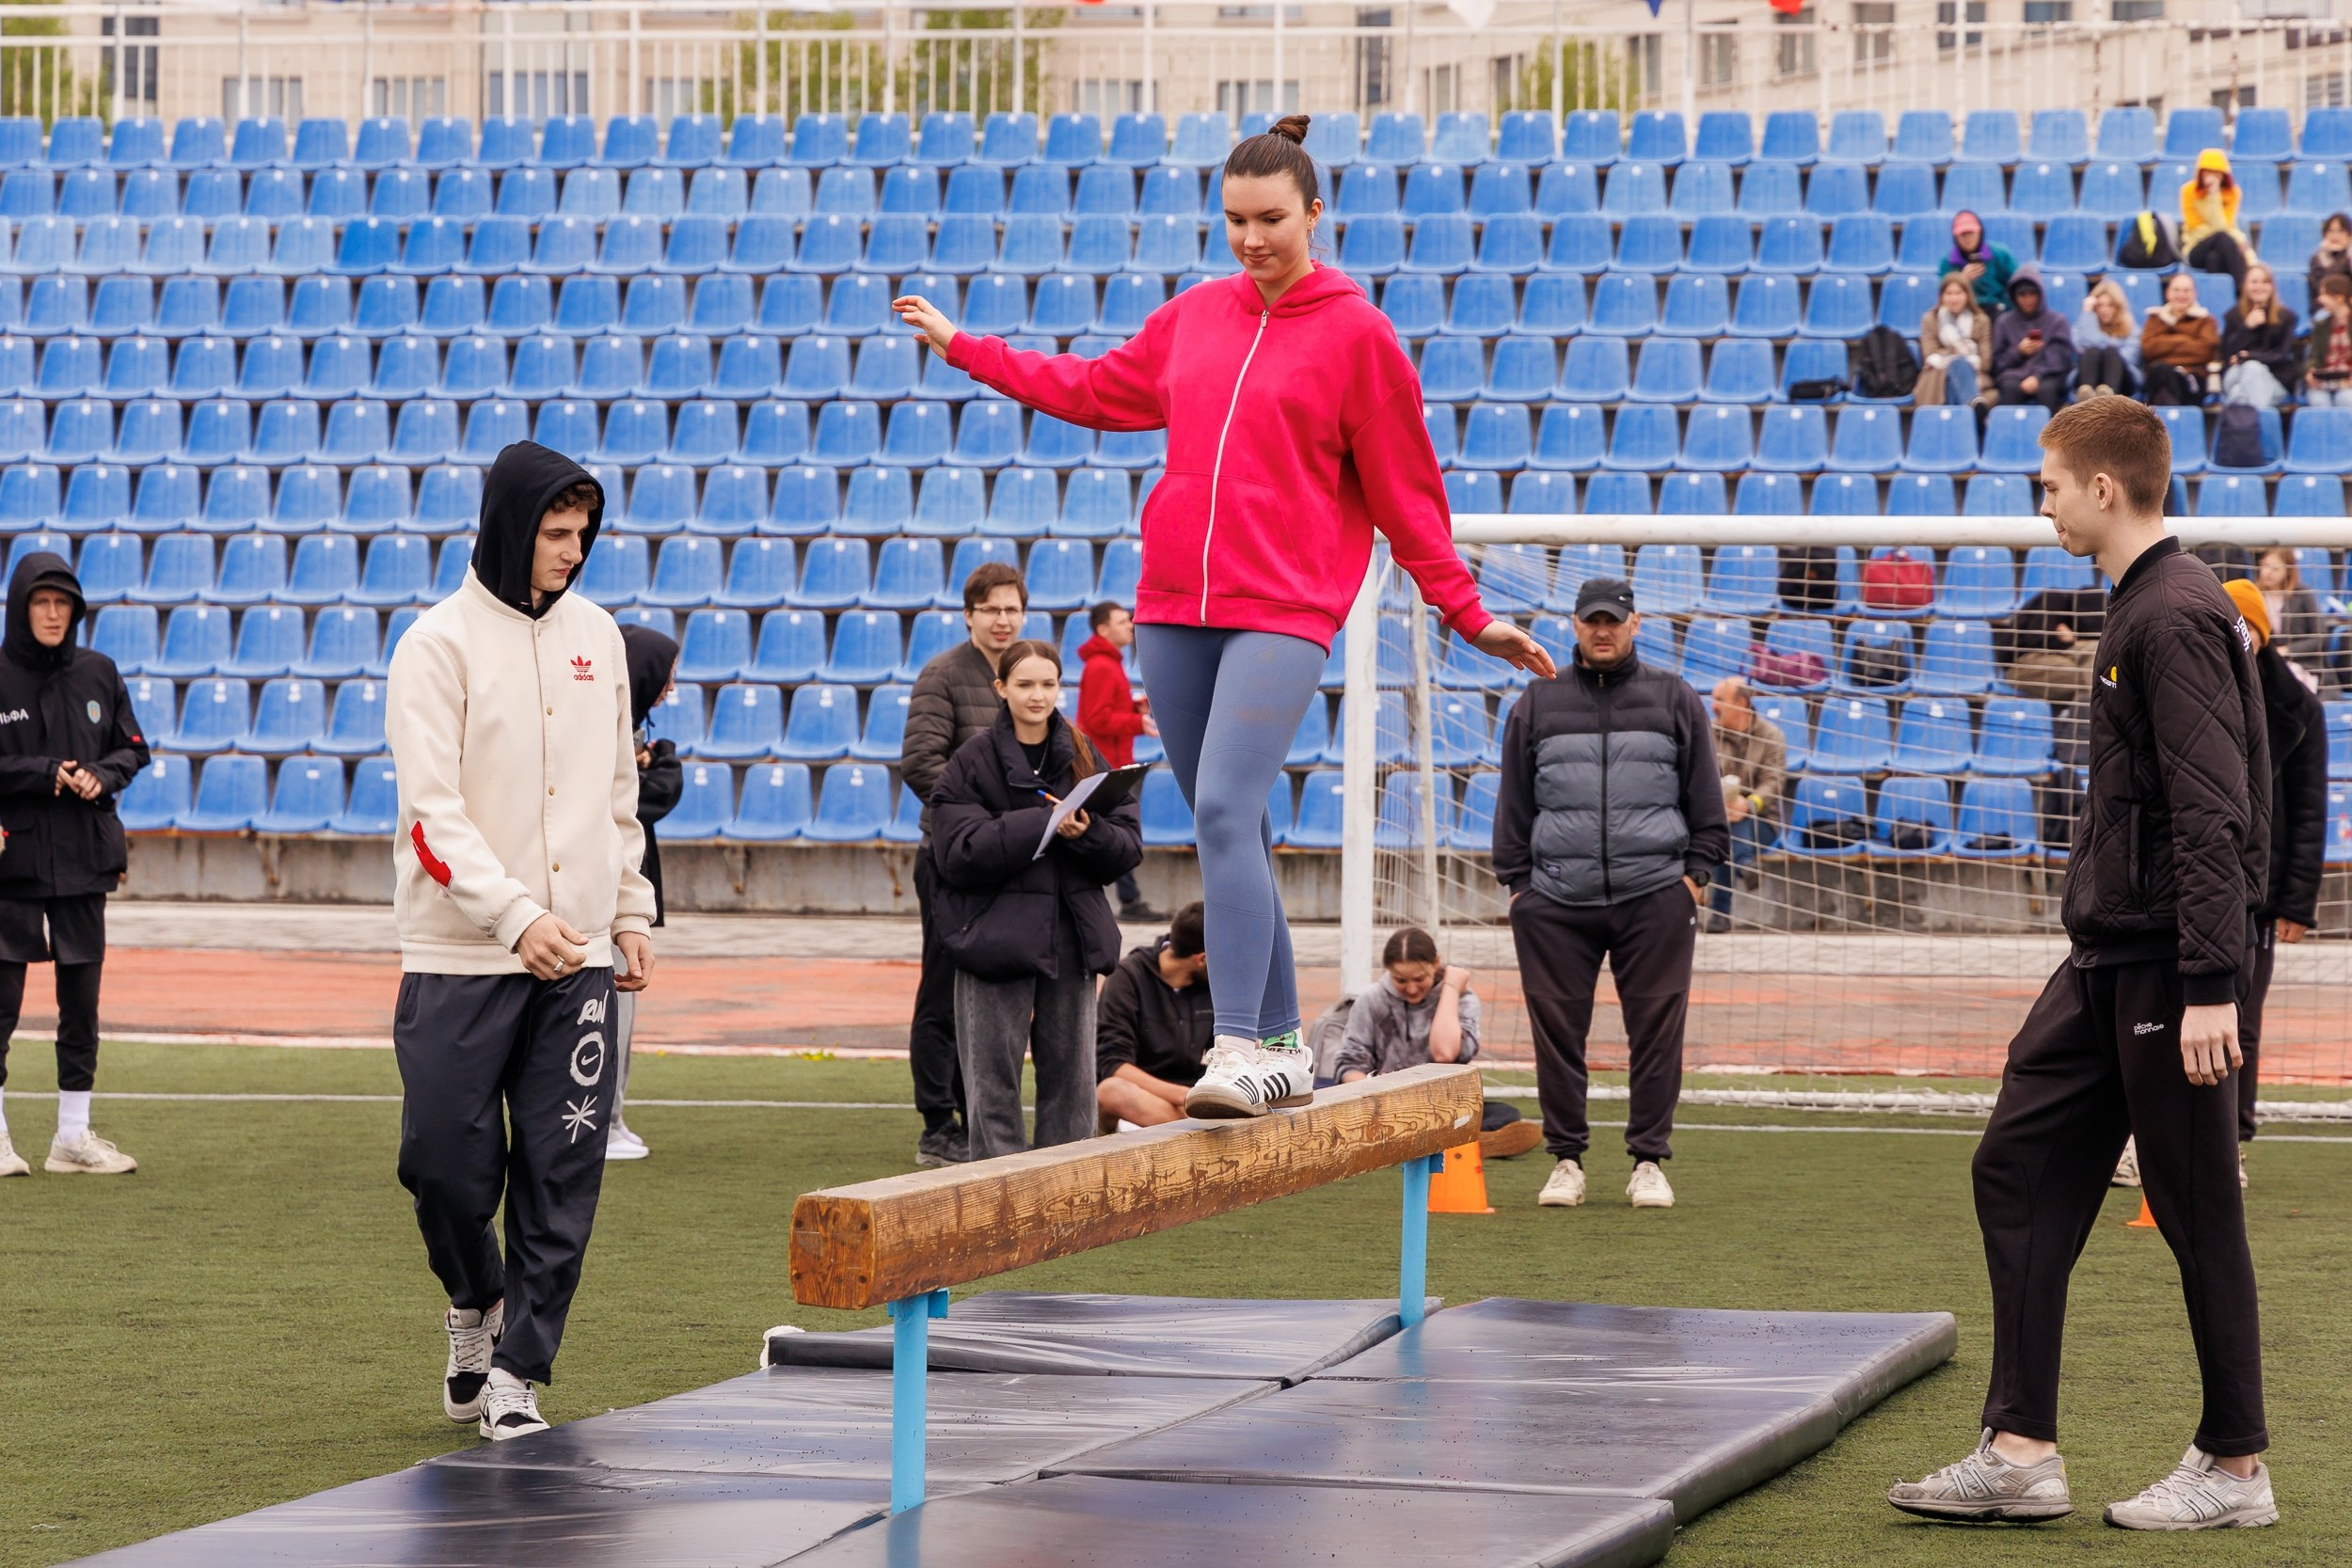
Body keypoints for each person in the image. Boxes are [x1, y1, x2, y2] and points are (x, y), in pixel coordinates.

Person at [894, 113, 1551, 1124]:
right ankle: (1286, 1044)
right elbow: (1090, 388)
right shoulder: (1195, 317)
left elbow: (1407, 497)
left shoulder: (1358, 336)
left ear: (1315, 213)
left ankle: (1239, 1039)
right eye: (1235, 220)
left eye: (1272, 219)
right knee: (1231, 821)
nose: (1252, 238)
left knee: (1218, 809)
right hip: (1172, 607)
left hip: (1283, 608)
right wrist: (967, 348)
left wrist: (1468, 616)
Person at [1888, 397, 2275, 1530]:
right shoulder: (2134, 607)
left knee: (2195, 1206)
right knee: (2014, 1165)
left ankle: (2235, 1465)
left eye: (2048, 482)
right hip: (2105, 955)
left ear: (2103, 488)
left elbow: (2215, 814)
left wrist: (2210, 984)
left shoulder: (2175, 611)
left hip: (2169, 965)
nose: (2040, 500)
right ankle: (2018, 1446)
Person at [385, 441, 657, 1443]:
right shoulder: (436, 644)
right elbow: (430, 812)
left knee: (563, 1165)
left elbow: (616, 794)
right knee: (443, 1164)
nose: (571, 552)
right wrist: (515, 915)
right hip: (462, 951)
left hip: (579, 953)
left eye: (582, 535)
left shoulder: (599, 638)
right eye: (553, 532)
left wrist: (627, 908)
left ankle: (518, 1370)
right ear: (508, 525)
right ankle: (474, 1300)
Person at [1491, 578, 1729, 1213]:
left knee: (1656, 1032)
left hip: (1654, 893)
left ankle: (1648, 1161)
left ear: (1635, 624)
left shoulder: (1673, 696)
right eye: (1592, 620)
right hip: (1555, 902)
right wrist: (1520, 887)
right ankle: (1566, 1160)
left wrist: (1695, 874)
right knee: (1557, 1034)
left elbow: (1704, 794)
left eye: (1614, 620)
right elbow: (1513, 801)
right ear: (1574, 626)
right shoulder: (1537, 702)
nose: (1603, 630)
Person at [928, 640, 1143, 1160]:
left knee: (1071, 1079)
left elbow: (1128, 846)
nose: (1037, 695)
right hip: (991, 939)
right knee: (991, 1081)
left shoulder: (1086, 753)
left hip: (1070, 936)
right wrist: (1041, 823)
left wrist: (1085, 833)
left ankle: (1065, 1189)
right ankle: (994, 1190)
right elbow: (956, 851)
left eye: (1048, 684)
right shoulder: (971, 760)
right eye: (1024, 684)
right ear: (1001, 689)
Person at [0, 554, 150, 1180]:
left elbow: (134, 747)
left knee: (81, 1004)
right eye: (41, 602)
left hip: (86, 858)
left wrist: (102, 773)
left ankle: (71, 1137)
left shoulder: (99, 672)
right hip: (15, 860)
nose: (54, 614)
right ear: (21, 607)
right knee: (2, 1003)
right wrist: (45, 772)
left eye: (63, 603)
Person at [899, 560, 1030, 1167]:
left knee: (988, 990)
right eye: (992, 609)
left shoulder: (1023, 675)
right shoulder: (944, 673)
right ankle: (937, 1122)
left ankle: (979, 1114)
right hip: (953, 857)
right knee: (942, 987)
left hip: (1007, 860)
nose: (1003, 620)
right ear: (969, 614)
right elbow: (921, 763)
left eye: (1012, 609)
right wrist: (979, 819)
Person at [1332, 927, 1542, 1162]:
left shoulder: (1463, 998)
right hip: (1384, 1104)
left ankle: (1416, 1141)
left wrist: (1450, 990)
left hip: (1443, 1104)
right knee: (1342, 1118)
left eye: (1419, 978)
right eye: (1401, 980)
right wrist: (1377, 1099)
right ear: (1388, 971)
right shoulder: (1371, 999)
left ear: (1436, 963)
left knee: (1505, 1114)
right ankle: (1453, 1143)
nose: (1411, 988)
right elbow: (1350, 1065)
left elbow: (1445, 1053)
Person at [605, 624, 680, 1163]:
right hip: (602, 894)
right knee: (608, 1012)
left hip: (625, 892)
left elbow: (659, 789)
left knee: (622, 1015)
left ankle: (612, 1116)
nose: (670, 686)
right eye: (665, 673)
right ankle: (599, 1123)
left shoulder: (633, 733)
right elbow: (637, 801)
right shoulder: (604, 730)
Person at [1094, 900, 1214, 1130]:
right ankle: (1199, 1130)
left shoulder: (1213, 985)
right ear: (1201, 959)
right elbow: (1114, 1064)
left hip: (1189, 1094)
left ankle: (1189, 1128)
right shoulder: (1127, 977)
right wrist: (1183, 1097)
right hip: (1144, 1094)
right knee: (1111, 1092)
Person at [1076, 599, 1159, 922]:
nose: (1130, 625)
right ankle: (1129, 899)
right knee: (1118, 833)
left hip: (1112, 762)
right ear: (1103, 629)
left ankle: (1129, 898)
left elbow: (1105, 712)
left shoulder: (1108, 663)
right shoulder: (1101, 665)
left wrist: (1133, 706)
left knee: (1116, 832)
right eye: (1123, 621)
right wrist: (1136, 722)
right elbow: (1097, 720)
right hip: (1108, 765)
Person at [1707, 676, 1785, 934]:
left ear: (1741, 704)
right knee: (1724, 827)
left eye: (1719, 700)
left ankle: (1719, 914)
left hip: (1762, 822)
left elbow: (1774, 783)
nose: (1713, 706)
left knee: (1728, 828)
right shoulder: (1708, 733)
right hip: (1716, 816)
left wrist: (1748, 805)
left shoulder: (1771, 735)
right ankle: (1744, 864)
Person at [1989, 266, 2077, 412]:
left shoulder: (2057, 321)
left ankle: (2052, 434)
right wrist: (2018, 351)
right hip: (2013, 375)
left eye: (2032, 293)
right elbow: (1997, 363)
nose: (2028, 299)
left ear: (2040, 294)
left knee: (2046, 390)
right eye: (2022, 294)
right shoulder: (2004, 322)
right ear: (2014, 296)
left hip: (2049, 375)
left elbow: (2060, 358)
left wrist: (2038, 376)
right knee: (2009, 387)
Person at [2218, 263, 2299, 408]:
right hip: (2236, 374)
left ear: (2272, 286)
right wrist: (2246, 328)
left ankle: (2244, 427)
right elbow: (2226, 354)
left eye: (2265, 282)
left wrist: (2249, 357)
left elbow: (2282, 355)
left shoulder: (2287, 317)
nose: (2259, 287)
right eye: (2254, 282)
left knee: (2241, 390)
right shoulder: (2232, 316)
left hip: (2275, 378)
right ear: (2245, 285)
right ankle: (2259, 420)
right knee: (2249, 371)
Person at [2138, 270, 2218, 407]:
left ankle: (2164, 422)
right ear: (2168, 293)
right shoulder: (2155, 319)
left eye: (2186, 291)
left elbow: (2205, 351)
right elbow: (2148, 349)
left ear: (2194, 294)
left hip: (2192, 380)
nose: (2181, 295)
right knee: (2161, 371)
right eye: (2176, 290)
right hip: (2158, 378)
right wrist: (2187, 340)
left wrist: (2166, 344)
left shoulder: (2206, 320)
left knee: (2163, 380)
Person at [2178, 148, 2254, 291]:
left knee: (2214, 258)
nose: (2211, 176)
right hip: (2195, 248)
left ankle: (2225, 300)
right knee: (2221, 237)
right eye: (2207, 171)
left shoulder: (2233, 193)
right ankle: (2245, 290)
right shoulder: (2188, 191)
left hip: (2220, 249)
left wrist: (2215, 195)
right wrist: (2213, 196)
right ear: (2200, 173)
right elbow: (2196, 228)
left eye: (2216, 172)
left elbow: (2224, 226)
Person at [1915, 275, 1994, 408]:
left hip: (1975, 376)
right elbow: (1930, 354)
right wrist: (1962, 354)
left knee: (1959, 369)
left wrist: (1950, 355)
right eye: (1949, 293)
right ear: (1942, 296)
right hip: (1937, 377)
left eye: (1958, 293)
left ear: (1967, 295)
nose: (1953, 298)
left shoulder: (1981, 320)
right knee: (1958, 364)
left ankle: (1970, 409)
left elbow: (1986, 362)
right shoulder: (1930, 319)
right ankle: (1974, 407)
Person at [2249, 546, 2324, 667]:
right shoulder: (2253, 594)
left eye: (2275, 569)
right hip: (2266, 665)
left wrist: (2287, 650)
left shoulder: (2303, 594)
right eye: (2265, 565)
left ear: (2288, 571)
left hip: (2303, 665)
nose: (2268, 572)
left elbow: (2321, 638)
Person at [2072, 277, 2142, 400]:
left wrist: (2106, 347)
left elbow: (2130, 358)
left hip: (2122, 379)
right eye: (2100, 305)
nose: (2105, 310)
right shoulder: (2082, 325)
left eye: (2110, 305)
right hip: (2087, 376)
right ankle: (2086, 396)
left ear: (2118, 307)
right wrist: (2087, 314)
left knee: (2111, 352)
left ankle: (2109, 396)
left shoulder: (2132, 328)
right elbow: (2079, 347)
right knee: (2092, 351)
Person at [1939, 209, 2018, 312]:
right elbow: (1945, 298)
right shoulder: (1947, 261)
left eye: (1971, 233)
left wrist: (2004, 306)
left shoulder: (2001, 255)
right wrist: (1962, 281)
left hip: (2000, 310)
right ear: (1956, 237)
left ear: (1980, 232)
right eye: (1963, 234)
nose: (1967, 238)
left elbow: (2018, 285)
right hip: (1963, 313)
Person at [2301, 272, 2352, 406]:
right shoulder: (2321, 326)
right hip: (2323, 382)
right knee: (2319, 402)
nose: (2320, 299)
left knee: (2346, 400)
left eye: (2324, 294)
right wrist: (2310, 371)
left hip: (2348, 382)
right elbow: (2314, 356)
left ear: (2339, 298)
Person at [2309, 211, 2352, 289]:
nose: (2335, 235)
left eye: (2341, 231)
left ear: (2349, 235)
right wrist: (2341, 258)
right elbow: (2324, 285)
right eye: (2331, 231)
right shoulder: (2317, 258)